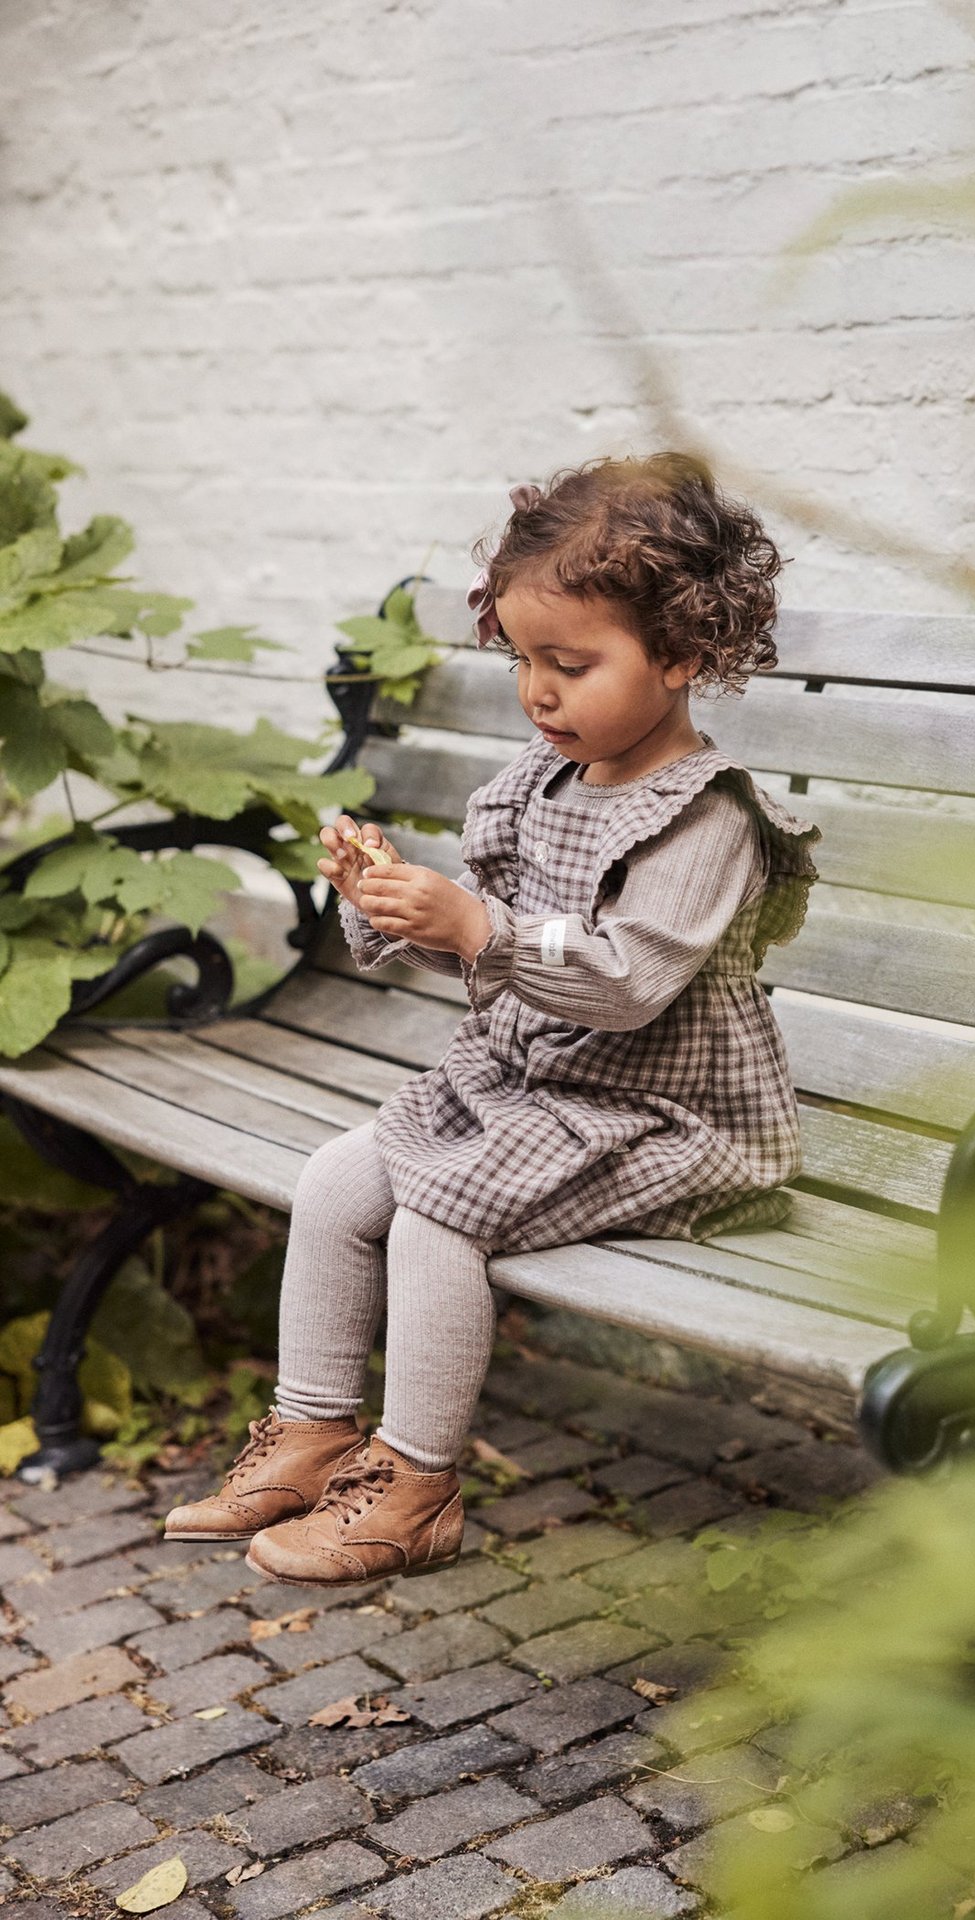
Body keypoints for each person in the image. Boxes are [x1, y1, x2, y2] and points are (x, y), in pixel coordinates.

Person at [164, 453, 819, 1586]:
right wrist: (395, 904)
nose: (538, 693)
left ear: (681, 655)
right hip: (530, 1092)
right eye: (521, 660)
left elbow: (626, 981)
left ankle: (415, 1484)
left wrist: (477, 927)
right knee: (336, 1180)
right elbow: (488, 944)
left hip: (662, 1116)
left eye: (571, 664)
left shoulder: (703, 819)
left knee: (438, 1216)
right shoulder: (538, 783)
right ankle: (313, 1429)